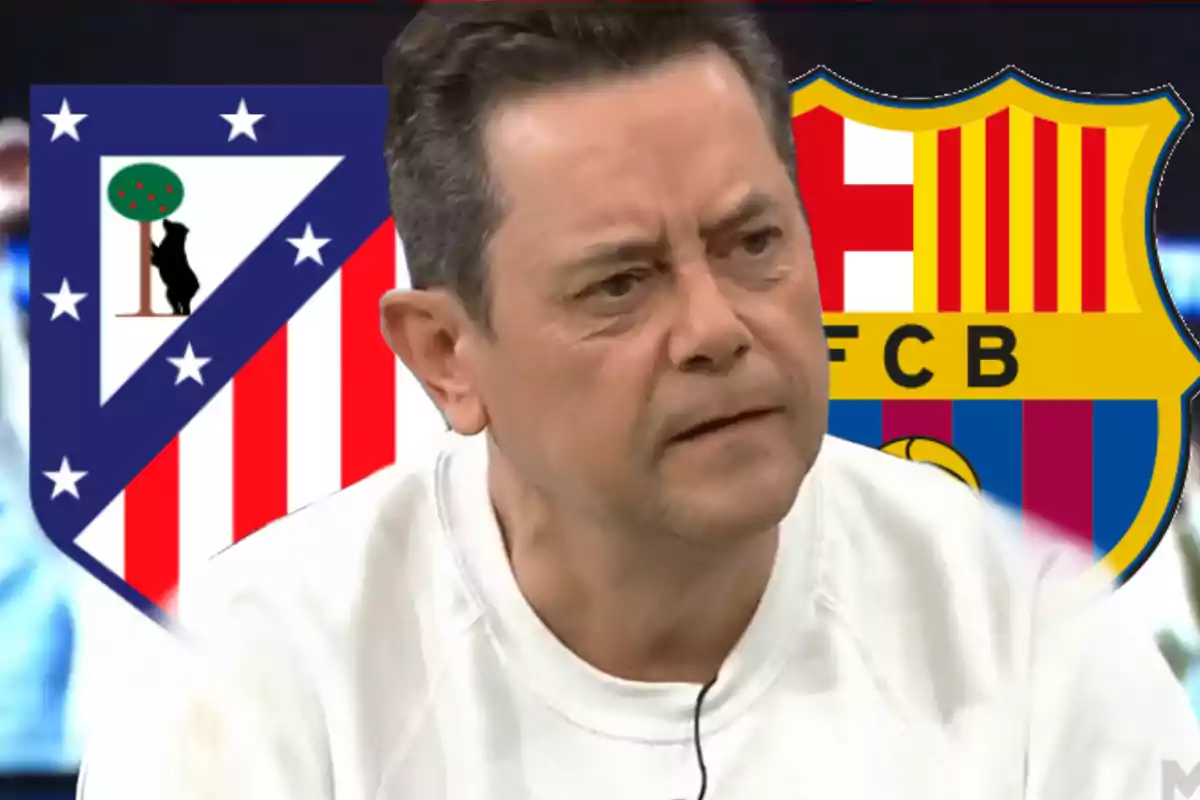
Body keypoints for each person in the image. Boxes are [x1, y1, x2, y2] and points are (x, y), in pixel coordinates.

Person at [78, 4, 1200, 798]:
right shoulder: (254, 675)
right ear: (446, 356)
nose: (717, 328)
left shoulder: (1036, 628)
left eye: (753, 242)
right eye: (620, 282)